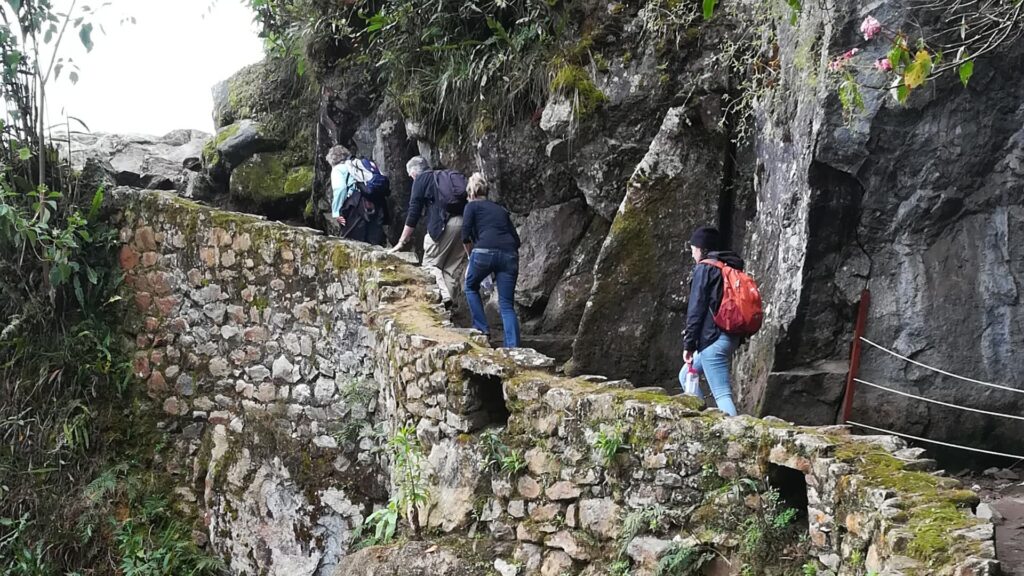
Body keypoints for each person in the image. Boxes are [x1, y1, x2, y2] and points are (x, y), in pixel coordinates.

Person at [681, 226, 745, 416]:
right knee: (685, 376)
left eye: (694, 249)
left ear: (702, 248)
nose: (692, 254)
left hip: (713, 339)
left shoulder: (705, 268)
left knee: (722, 394)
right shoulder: (728, 266)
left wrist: (689, 344)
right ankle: (703, 422)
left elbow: (696, 309)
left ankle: (734, 437)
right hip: (729, 337)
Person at [389, 156, 467, 306]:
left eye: (410, 175)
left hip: (443, 225)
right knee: (449, 269)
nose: (411, 179)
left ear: (414, 172)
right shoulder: (443, 176)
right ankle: (447, 308)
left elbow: (414, 212)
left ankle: (443, 299)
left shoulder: (421, 180)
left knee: (430, 264)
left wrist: (401, 241)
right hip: (464, 223)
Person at [461, 173, 521, 347]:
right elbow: (516, 240)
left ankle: (482, 329)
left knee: (470, 286)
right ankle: (514, 348)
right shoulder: (500, 209)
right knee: (506, 304)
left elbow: (465, 236)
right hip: (509, 254)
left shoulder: (471, 207)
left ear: (471, 193)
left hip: (483, 252)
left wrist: (471, 256)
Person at [326, 145, 386, 246]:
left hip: (355, 206)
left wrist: (336, 212)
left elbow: (340, 189)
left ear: (332, 159)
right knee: (373, 242)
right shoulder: (359, 165)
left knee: (352, 243)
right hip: (374, 203)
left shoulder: (338, 169)